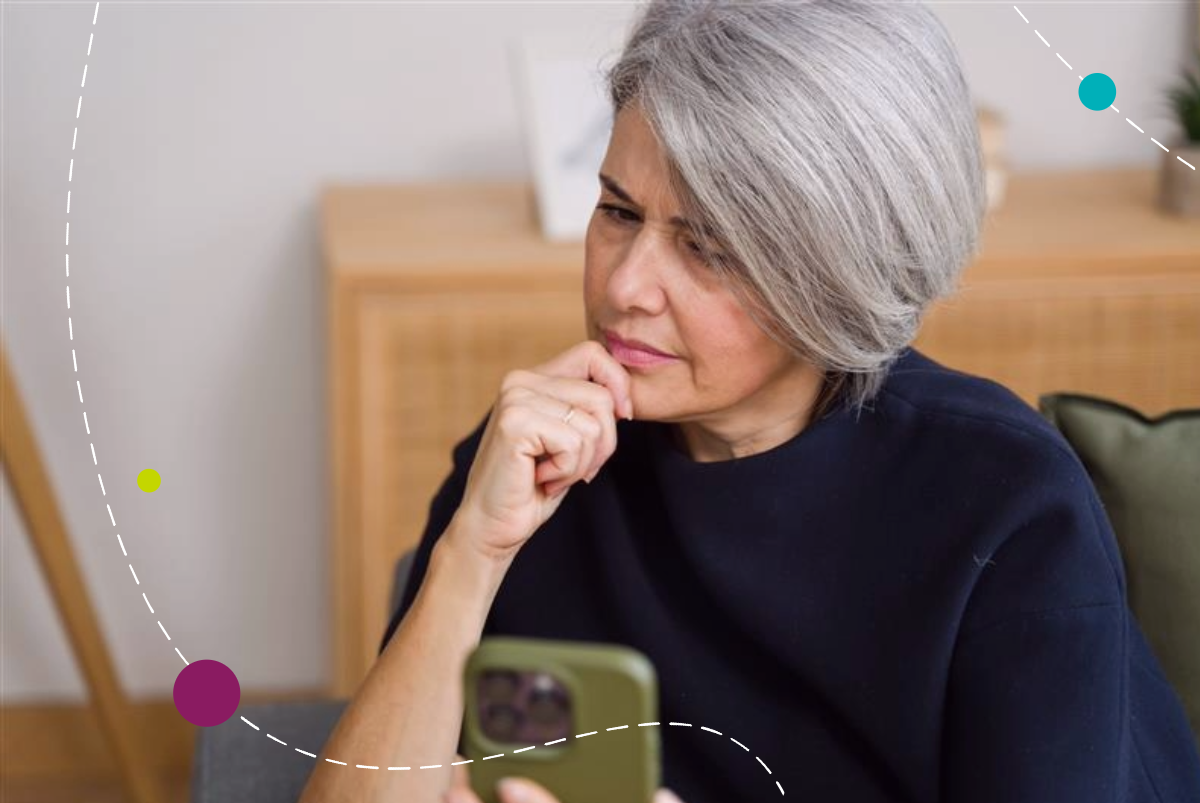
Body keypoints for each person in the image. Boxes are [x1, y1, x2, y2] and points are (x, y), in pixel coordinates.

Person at [298, 2, 1200, 802]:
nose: (626, 287)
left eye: (709, 247)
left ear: (842, 270)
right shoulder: (537, 458)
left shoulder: (1008, 506)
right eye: (618, 211)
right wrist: (471, 553)